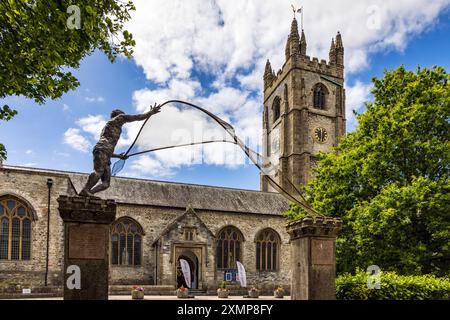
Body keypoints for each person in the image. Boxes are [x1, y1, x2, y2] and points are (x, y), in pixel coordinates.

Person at [79, 104, 161, 196]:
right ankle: (85, 190)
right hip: (102, 149)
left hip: (106, 152)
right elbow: (137, 117)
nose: (125, 119)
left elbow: (108, 150)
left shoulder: (113, 127)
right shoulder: (119, 118)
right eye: (123, 116)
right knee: (99, 171)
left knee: (106, 183)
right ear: (118, 115)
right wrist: (151, 113)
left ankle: (89, 193)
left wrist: (118, 156)